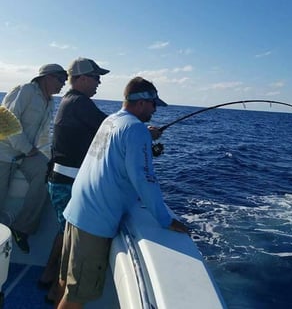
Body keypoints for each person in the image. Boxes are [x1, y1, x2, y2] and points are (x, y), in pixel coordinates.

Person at [56, 76, 188, 309]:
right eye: (153, 104)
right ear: (141, 103)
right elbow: (145, 179)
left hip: (77, 209)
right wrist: (165, 219)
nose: (155, 109)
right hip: (94, 221)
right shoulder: (135, 129)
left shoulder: (112, 120)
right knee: (77, 295)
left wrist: (145, 135)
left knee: (68, 281)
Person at [37, 57, 109, 297]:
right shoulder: (80, 103)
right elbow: (111, 128)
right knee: (69, 234)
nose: (99, 82)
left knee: (64, 230)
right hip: (66, 183)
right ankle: (56, 289)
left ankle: (49, 277)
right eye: (96, 77)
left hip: (61, 180)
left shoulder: (71, 101)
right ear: (83, 78)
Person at [0, 63, 67, 253]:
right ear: (47, 77)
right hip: (4, 152)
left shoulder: (50, 101)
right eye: (60, 79)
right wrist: (28, 149)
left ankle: (22, 228)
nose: (63, 84)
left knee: (46, 172)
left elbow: (44, 134)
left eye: (65, 80)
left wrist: (42, 154)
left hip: (25, 153)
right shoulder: (25, 91)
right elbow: (5, 122)